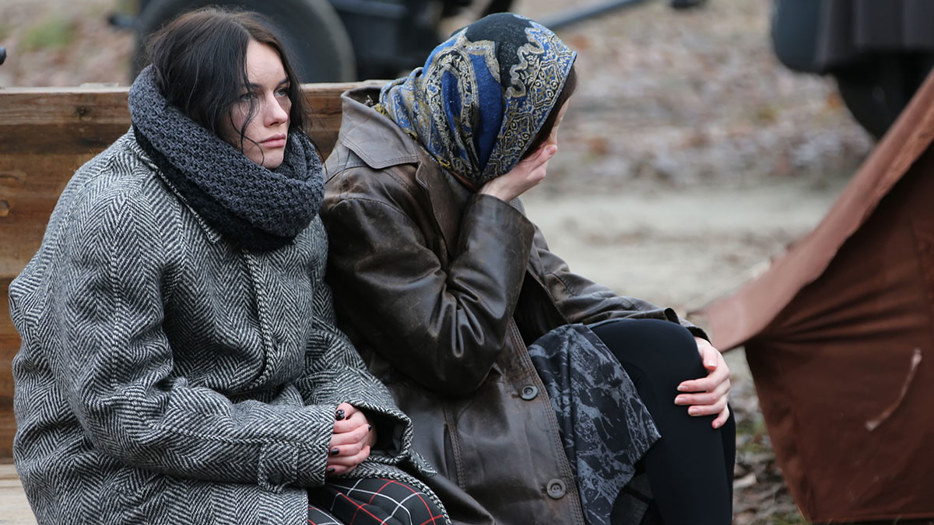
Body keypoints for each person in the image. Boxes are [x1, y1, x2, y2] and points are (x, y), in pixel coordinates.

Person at [8, 8, 447, 525]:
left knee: (410, 511)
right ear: (198, 107)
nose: (279, 113)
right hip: (118, 474)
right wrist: (300, 437)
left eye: (282, 91)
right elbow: (124, 410)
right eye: (247, 97)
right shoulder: (118, 211)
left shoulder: (281, 191)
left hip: (260, 441)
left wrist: (353, 414)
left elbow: (317, 341)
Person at [321, 12, 735, 525]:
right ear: (505, 122)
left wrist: (687, 336)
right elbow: (454, 356)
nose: (552, 147)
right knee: (666, 392)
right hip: (437, 417)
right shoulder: (362, 196)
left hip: (499, 366)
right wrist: (495, 205)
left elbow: (555, 286)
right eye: (547, 130)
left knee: (678, 364)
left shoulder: (460, 137)